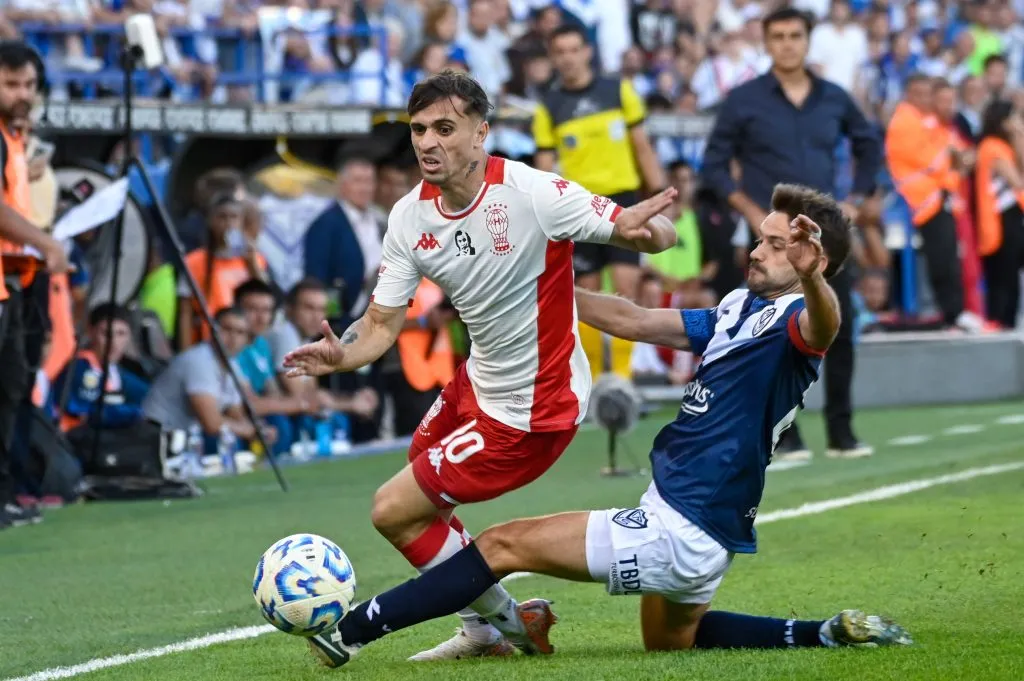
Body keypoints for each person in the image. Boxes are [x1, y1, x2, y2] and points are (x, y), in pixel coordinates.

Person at [303, 184, 913, 669]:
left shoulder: (800, 318)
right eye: (762, 239)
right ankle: (827, 633)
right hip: (703, 526)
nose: (757, 250)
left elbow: (825, 329)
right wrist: (537, 285)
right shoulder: (739, 307)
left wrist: (809, 277)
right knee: (672, 644)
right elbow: (639, 320)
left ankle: (353, 632)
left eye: (778, 245)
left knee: (501, 545)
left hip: (683, 525)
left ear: (814, 258)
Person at [283, 70, 677, 661]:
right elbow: (381, 325)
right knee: (420, 485)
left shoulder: (533, 193)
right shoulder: (409, 218)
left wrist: (645, 232)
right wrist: (344, 354)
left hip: (534, 409)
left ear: (481, 132)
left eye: (444, 127)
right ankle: (496, 626)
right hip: (476, 382)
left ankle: (498, 627)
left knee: (392, 510)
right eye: (418, 129)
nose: (427, 142)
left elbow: (650, 233)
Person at [700, 6, 881, 461]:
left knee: (839, 329)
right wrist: (747, 209)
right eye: (777, 36)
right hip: (774, 242)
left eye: (794, 35)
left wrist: (856, 200)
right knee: (769, 337)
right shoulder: (744, 100)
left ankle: (842, 432)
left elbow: (868, 145)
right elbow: (714, 165)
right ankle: (786, 436)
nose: (786, 43)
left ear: (807, 40)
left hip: (824, 241)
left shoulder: (834, 97)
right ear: (766, 42)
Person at [532, 24, 668, 379]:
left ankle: (622, 380)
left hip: (623, 201)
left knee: (626, 285)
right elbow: (545, 168)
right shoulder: (549, 107)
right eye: (560, 51)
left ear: (587, 51)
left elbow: (642, 146)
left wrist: (658, 193)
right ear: (553, 57)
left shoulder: (619, 91)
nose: (568, 58)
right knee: (584, 294)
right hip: (578, 207)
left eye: (574, 49)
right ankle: (590, 381)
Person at [0, 40, 71, 530]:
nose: (22, 94)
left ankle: (5, 493)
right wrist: (45, 243)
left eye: (28, 84)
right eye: (10, 84)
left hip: (10, 280)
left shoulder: (14, 137)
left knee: (9, 389)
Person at [53, 304, 149, 432]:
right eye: (106, 333)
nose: (113, 342)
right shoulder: (81, 368)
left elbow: (148, 396)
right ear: (91, 332)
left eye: (121, 333)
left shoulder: (116, 371)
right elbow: (85, 413)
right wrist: (133, 413)